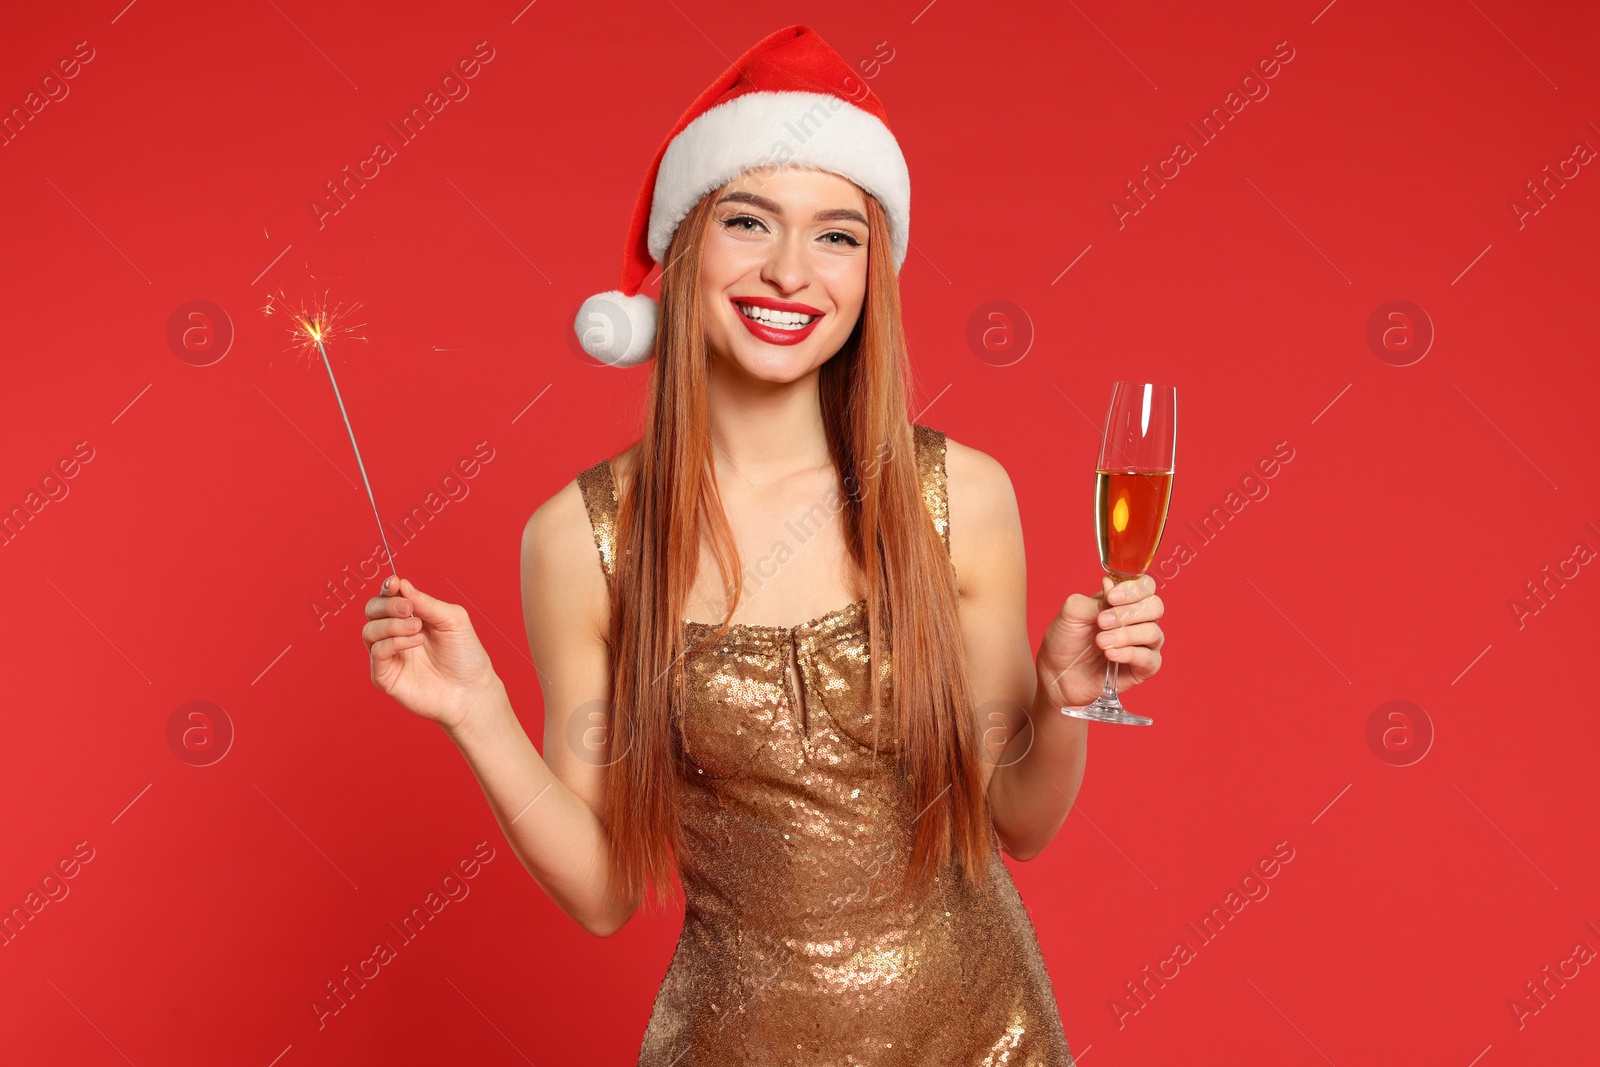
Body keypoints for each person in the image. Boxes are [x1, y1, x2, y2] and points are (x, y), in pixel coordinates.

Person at [362, 24, 1165, 1067]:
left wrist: (1063, 701)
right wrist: (476, 712)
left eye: (837, 236)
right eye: (750, 221)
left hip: (982, 1038)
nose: (791, 272)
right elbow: (605, 892)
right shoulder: (581, 540)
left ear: (872, 275)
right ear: (688, 245)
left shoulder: (957, 496)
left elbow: (1017, 817)